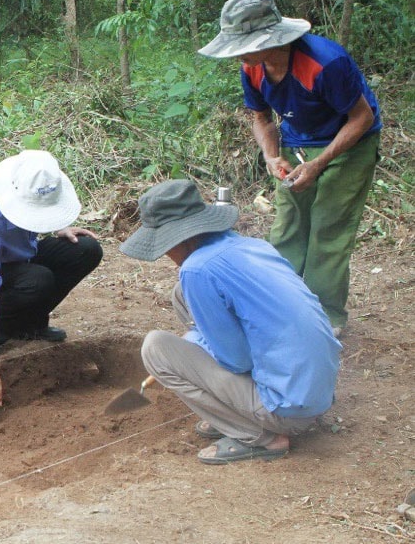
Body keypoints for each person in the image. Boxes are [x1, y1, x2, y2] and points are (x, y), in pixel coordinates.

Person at [120, 179, 341, 465]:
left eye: (164, 247)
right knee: (181, 296)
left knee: (156, 348)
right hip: (314, 391)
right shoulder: (250, 245)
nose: (165, 255)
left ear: (179, 238)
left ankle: (257, 436)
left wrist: (195, 343)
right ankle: (237, 408)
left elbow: (237, 362)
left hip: (287, 411)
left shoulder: (197, 269)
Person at [199, 0, 381, 335]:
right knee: (287, 225)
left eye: (243, 45)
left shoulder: (325, 62)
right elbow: (261, 117)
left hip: (350, 141)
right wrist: (271, 155)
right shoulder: (252, 69)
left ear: (269, 40)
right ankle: (279, 301)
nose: (238, 55)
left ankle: (325, 315)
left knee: (329, 226)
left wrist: (319, 164)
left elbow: (361, 119)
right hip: (299, 141)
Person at [0, 150, 103, 413]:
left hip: (18, 259)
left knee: (85, 249)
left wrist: (58, 227)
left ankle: (28, 324)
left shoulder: (28, 186)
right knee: (38, 280)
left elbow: (33, 215)